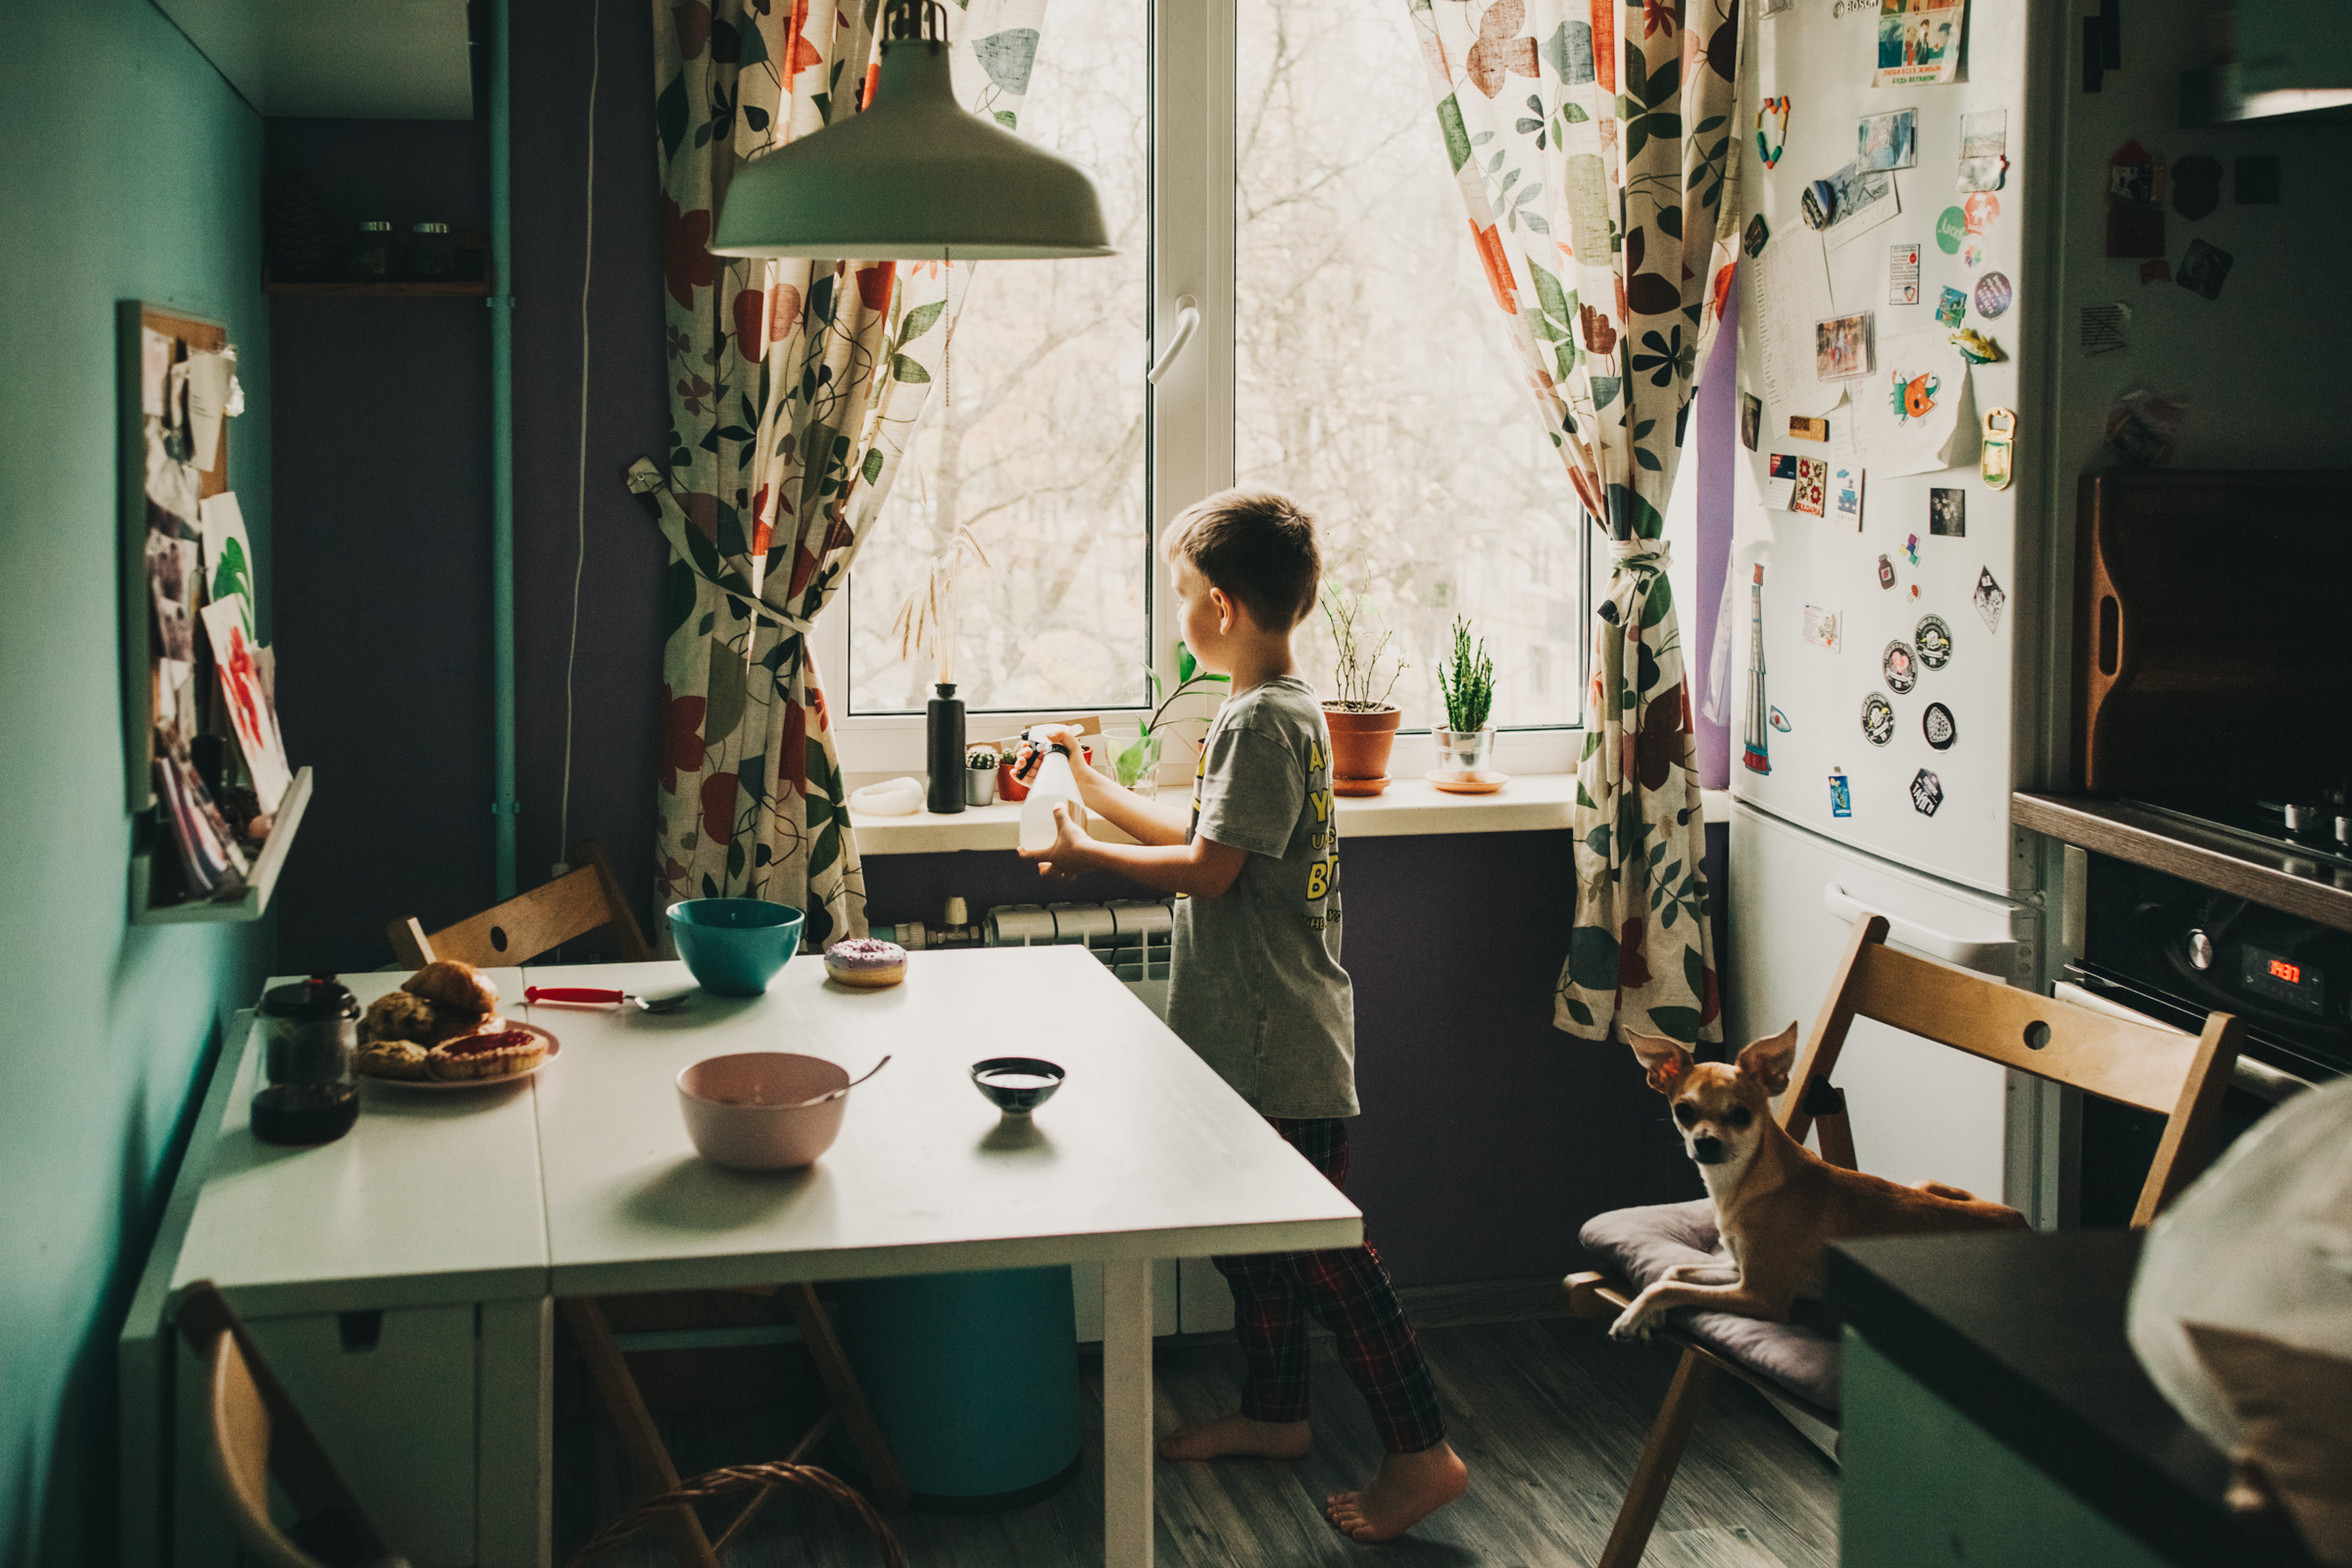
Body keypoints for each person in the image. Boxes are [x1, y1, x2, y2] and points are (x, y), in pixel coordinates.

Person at [1014, 488, 1469, 1543]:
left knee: (1324, 1256)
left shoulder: (1263, 721)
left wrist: (1082, 854)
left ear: (1219, 605)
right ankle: (1276, 1413)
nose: (1178, 613)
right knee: (1256, 1248)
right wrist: (1088, 785)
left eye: (1181, 595)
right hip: (1252, 1040)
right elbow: (1203, 830)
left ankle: (1422, 1450)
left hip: (1281, 1046)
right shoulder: (1274, 708)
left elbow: (1207, 873)